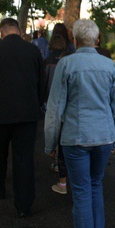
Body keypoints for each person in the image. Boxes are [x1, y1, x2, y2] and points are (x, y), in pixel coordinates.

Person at [45, 19, 115, 228]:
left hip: (75, 138)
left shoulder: (66, 64)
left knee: (81, 192)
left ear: (75, 40)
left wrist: (50, 143)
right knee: (96, 186)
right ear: (97, 40)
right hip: (104, 136)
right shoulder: (110, 66)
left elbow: (55, 108)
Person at [0, 18, 45, 217]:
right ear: (19, 31)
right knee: (24, 158)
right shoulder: (33, 51)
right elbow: (41, 83)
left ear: (1, 33)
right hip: (27, 114)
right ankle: (24, 204)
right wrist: (38, 104)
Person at [44, 33, 72, 194]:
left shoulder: (47, 62)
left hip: (52, 99)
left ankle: (60, 172)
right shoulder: (70, 62)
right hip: (68, 106)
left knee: (55, 130)